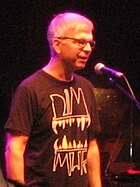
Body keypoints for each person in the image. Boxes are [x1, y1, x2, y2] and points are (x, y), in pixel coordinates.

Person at [4, 11, 102, 187]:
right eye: (80, 42)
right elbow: (15, 148)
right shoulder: (30, 88)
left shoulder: (86, 88)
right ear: (57, 44)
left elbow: (91, 145)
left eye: (90, 43)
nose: (87, 49)